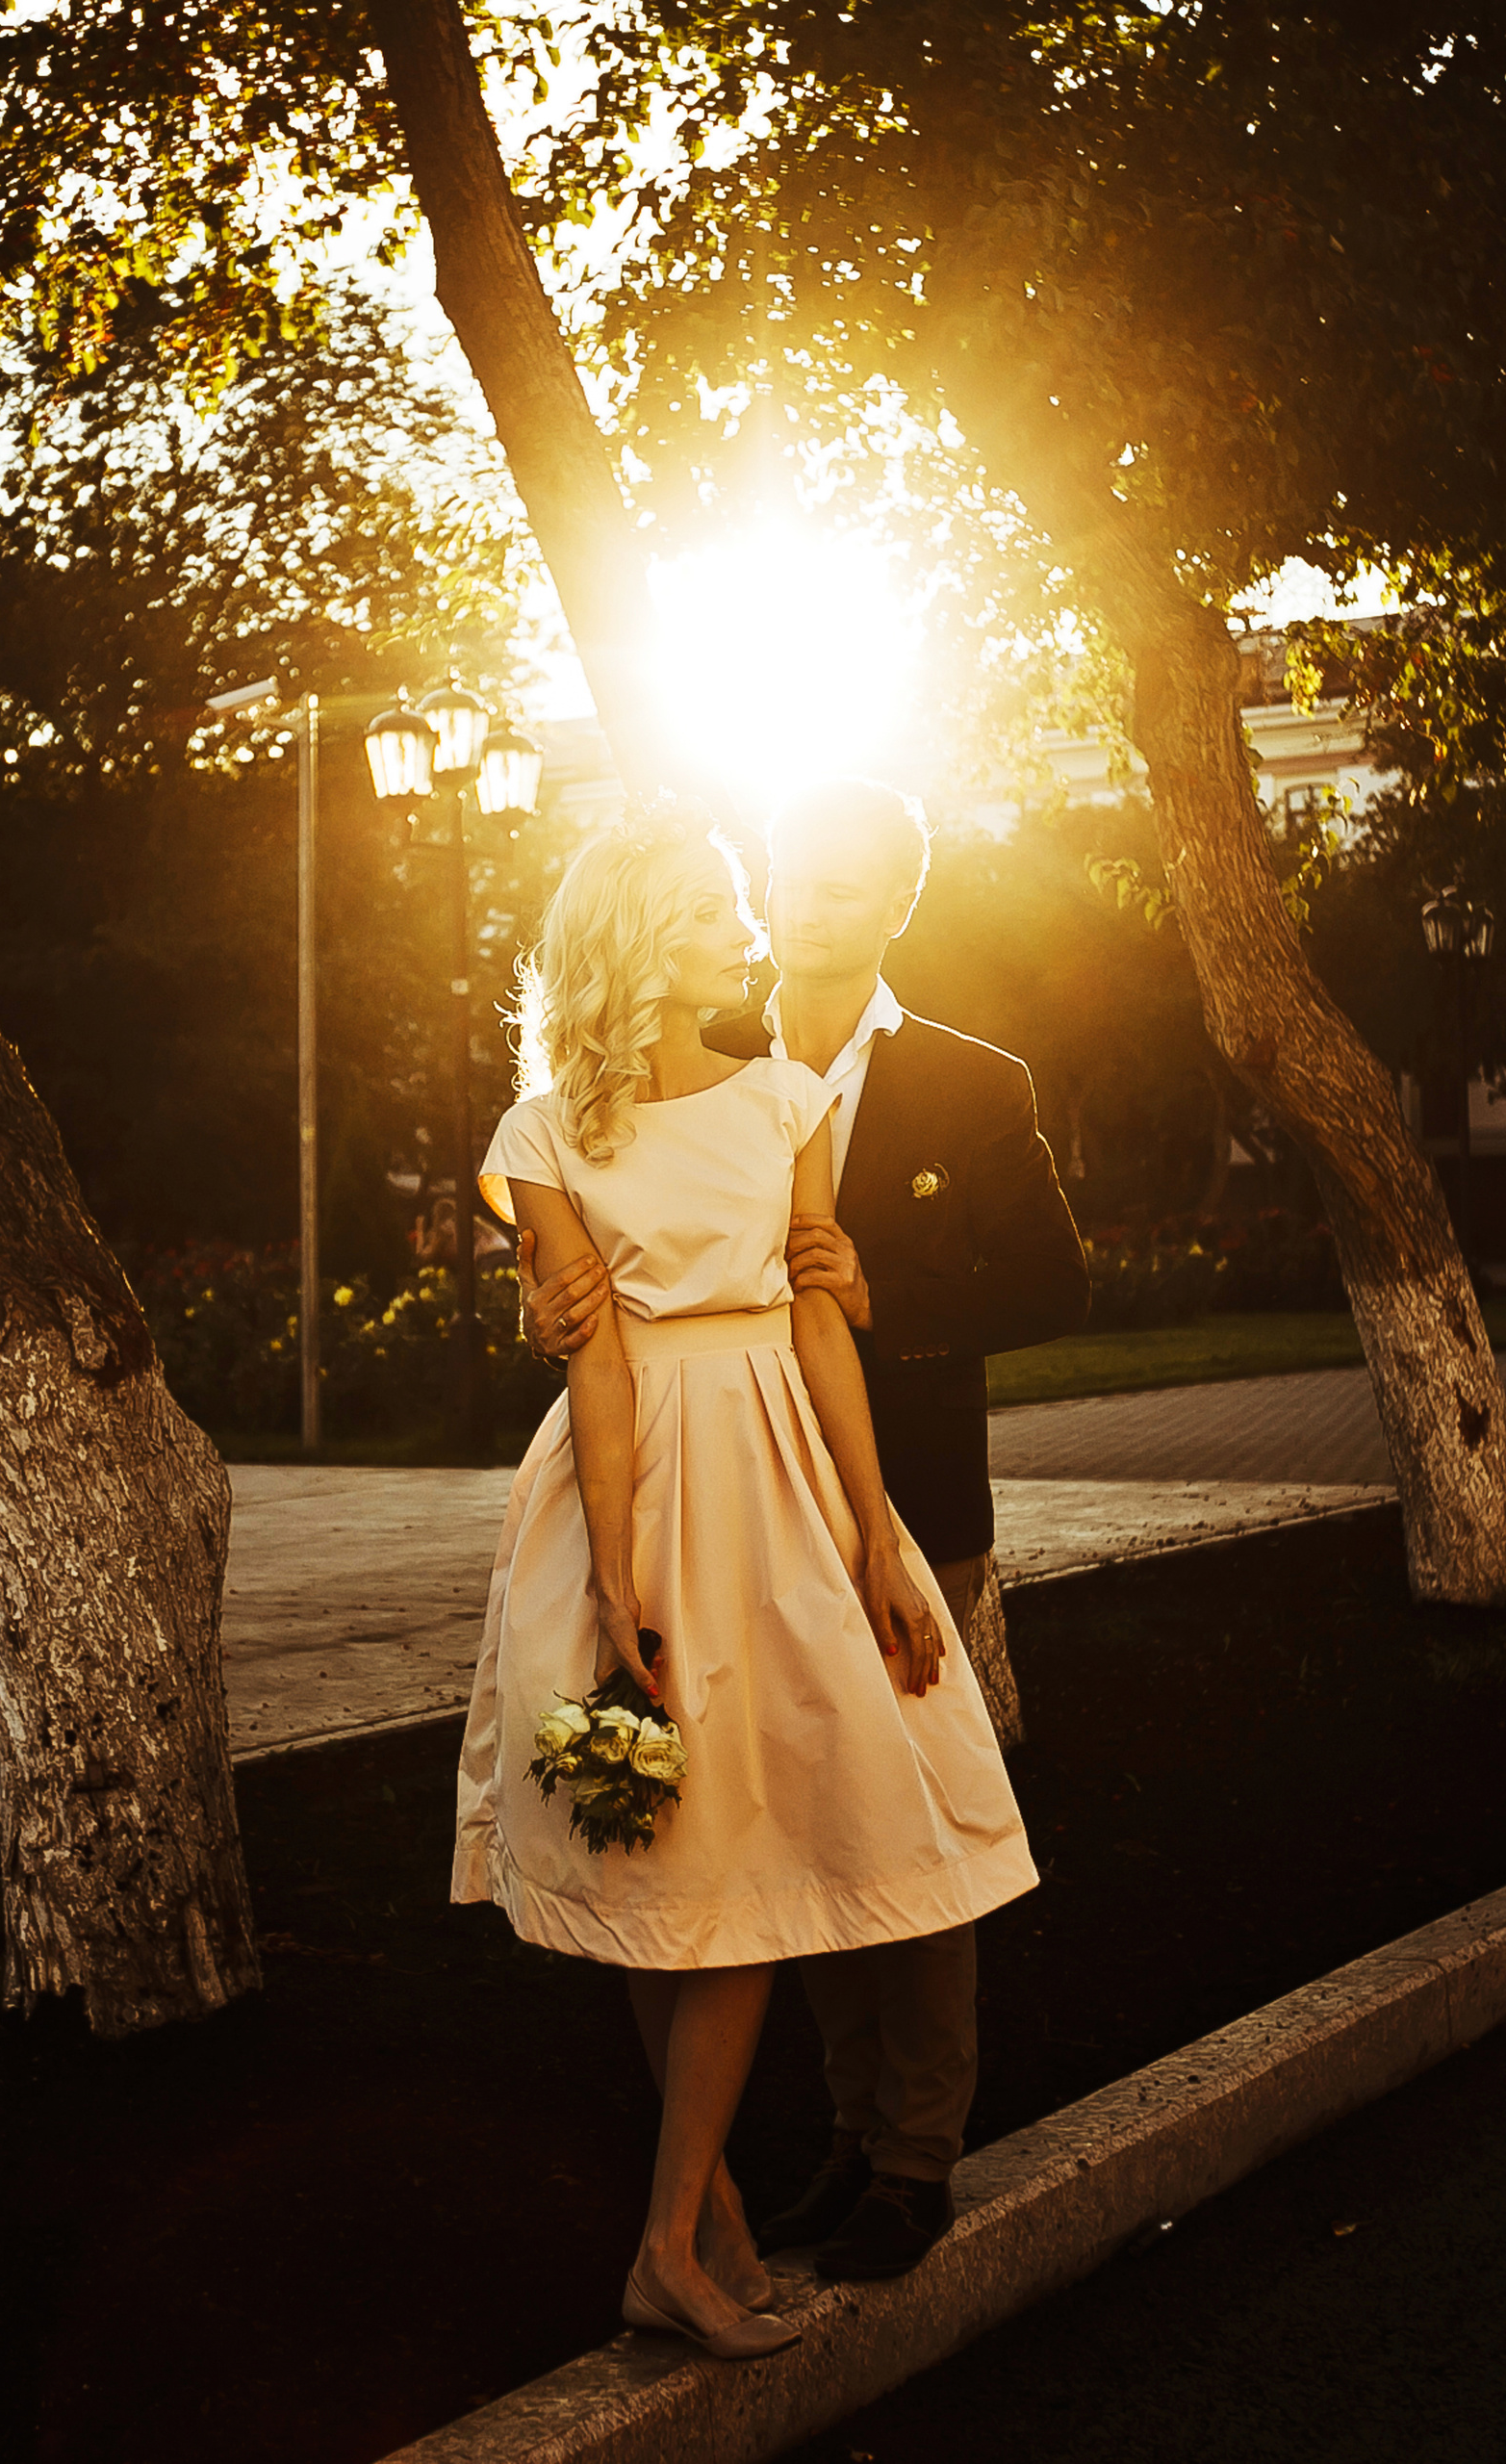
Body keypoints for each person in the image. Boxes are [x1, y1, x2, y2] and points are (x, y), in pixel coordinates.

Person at [454, 813, 1036, 2361]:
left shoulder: (791, 1103)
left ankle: (871, 2164)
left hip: (788, 1488)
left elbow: (823, 1322)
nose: (757, 922)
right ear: (646, 935)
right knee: (651, 1834)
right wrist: (619, 1578)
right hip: (624, 1501)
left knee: (836, 1803)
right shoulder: (540, 1132)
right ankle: (702, 2212)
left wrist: (872, 1541)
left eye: (766, 891)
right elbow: (587, 1347)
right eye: (722, 901)